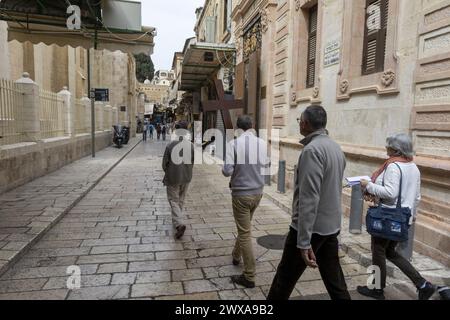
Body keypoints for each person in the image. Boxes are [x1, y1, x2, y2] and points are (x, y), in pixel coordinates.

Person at [267, 105, 351, 300]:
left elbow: (309, 198)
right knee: (335, 281)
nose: (299, 124)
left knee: (284, 279)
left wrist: (303, 241)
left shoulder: (312, 151)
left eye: (299, 121)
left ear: (304, 123)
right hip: (330, 227)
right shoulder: (335, 147)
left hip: (311, 229)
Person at [357, 133, 436, 300]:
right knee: (390, 252)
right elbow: (417, 196)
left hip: (387, 217)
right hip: (401, 217)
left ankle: (377, 289)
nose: (386, 148)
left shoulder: (393, 167)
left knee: (378, 251)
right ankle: (422, 284)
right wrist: (411, 217)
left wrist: (368, 185)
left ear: (396, 150)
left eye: (389, 146)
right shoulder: (413, 167)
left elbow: (390, 193)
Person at [222, 115, 269, 289]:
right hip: (258, 193)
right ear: (252, 126)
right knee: (245, 228)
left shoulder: (233, 144)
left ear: (238, 128)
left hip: (241, 194)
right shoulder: (263, 144)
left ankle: (249, 275)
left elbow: (227, 171)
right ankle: (236, 256)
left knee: (245, 233)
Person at [162, 121, 194, 239]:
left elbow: (164, 164)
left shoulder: (170, 145)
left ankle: (179, 223)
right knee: (181, 199)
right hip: (186, 177)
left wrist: (169, 172)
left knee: (173, 200)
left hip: (173, 177)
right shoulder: (190, 145)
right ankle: (177, 220)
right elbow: (193, 161)